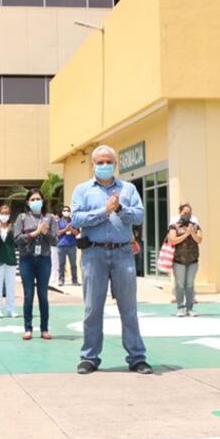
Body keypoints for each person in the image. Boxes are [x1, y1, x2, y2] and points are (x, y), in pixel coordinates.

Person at [70, 144, 151, 375]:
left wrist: (120, 208)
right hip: (93, 253)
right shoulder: (82, 190)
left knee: (129, 308)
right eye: (100, 162)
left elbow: (139, 215)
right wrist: (104, 212)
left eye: (108, 162)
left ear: (115, 164)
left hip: (123, 252)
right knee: (92, 308)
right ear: (93, 165)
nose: (104, 165)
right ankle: (89, 357)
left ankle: (137, 357)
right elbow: (76, 218)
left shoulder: (128, 189)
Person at [14, 191, 57, 340]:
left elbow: (55, 241)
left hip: (44, 259)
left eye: (38, 199)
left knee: (43, 295)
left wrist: (45, 233)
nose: (36, 201)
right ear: (27, 202)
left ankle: (44, 328)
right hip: (27, 259)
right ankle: (28, 328)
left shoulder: (50, 218)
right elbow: (17, 239)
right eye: (33, 199)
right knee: (28, 294)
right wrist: (34, 233)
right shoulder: (22, 218)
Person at [168, 203, 203, 317]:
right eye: (184, 213)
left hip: (192, 260)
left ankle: (190, 308)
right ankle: (180, 307)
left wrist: (192, 232)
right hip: (179, 260)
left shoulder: (195, 226)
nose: (187, 215)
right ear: (180, 213)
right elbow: (172, 240)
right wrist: (186, 234)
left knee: (190, 284)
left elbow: (199, 240)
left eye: (189, 213)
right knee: (180, 284)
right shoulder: (175, 226)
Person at [55, 204, 80, 286]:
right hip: (61, 245)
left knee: (73, 264)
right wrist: (65, 229)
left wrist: (71, 229)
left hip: (72, 245)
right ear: (62, 212)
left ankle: (75, 280)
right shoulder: (58, 221)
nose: (66, 212)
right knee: (61, 264)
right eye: (64, 210)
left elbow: (77, 233)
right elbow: (57, 233)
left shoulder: (74, 221)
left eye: (67, 210)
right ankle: (61, 280)